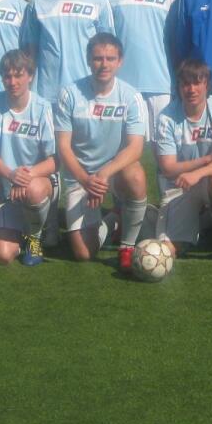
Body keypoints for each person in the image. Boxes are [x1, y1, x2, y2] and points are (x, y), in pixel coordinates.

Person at [54, 33, 149, 270]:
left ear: (120, 61)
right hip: (81, 177)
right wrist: (86, 180)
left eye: (110, 58)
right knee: (83, 254)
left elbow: (135, 148)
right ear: (88, 60)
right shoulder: (69, 94)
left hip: (114, 173)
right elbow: (63, 146)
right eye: (98, 58)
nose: (104, 64)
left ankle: (127, 246)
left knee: (136, 175)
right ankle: (115, 218)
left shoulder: (131, 97)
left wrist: (104, 174)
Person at [154, 57, 212, 268]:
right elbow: (168, 168)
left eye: (197, 83)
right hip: (179, 186)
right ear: (178, 86)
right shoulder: (166, 118)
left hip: (207, 181)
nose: (191, 89)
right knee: (168, 251)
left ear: (207, 84)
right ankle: (205, 218)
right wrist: (207, 159)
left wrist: (197, 173)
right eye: (185, 84)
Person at [0, 49, 57, 267]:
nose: (12, 82)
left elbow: (54, 160)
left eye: (18, 75)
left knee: (34, 191)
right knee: (1, 256)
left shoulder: (43, 108)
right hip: (5, 188)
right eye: (7, 76)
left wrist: (25, 177)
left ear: (30, 75)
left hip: (35, 183)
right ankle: (20, 229)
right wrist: (11, 175)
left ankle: (34, 239)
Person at [102, 0, 179, 139]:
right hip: (123, 83)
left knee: (163, 146)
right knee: (123, 147)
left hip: (161, 83)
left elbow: (177, 39)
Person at [21, 0, 114, 107]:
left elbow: (108, 50)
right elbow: (29, 52)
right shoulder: (38, 3)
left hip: (87, 92)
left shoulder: (99, 2)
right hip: (47, 94)